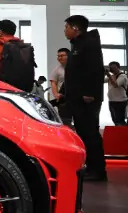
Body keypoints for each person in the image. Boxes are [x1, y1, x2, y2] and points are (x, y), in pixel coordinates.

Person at [64, 15, 107, 182]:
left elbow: (95, 70)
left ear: (75, 28)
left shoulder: (88, 44)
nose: (65, 31)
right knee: (84, 132)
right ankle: (91, 166)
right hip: (78, 97)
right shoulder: (79, 44)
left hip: (87, 98)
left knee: (90, 133)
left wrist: (90, 92)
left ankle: (97, 170)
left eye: (66, 27)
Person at [49, 48, 72, 126]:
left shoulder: (76, 68)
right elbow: (53, 83)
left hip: (76, 99)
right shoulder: (57, 70)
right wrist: (56, 94)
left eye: (62, 56)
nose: (59, 58)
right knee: (65, 121)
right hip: (63, 100)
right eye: (58, 56)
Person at [105, 61, 127, 126]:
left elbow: (116, 85)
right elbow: (101, 81)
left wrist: (109, 75)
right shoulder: (112, 76)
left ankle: (124, 133)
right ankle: (119, 133)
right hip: (112, 101)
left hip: (120, 102)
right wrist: (103, 73)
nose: (112, 69)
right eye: (111, 68)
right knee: (115, 120)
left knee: (120, 121)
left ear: (118, 67)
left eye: (114, 67)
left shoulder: (122, 76)